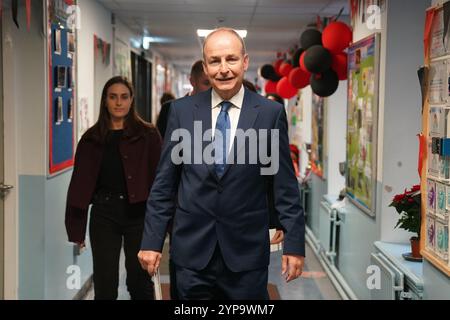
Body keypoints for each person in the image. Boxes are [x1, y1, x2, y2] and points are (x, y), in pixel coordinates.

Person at [139, 28, 305, 300]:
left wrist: (295, 245)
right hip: (191, 253)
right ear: (205, 67)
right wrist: (151, 242)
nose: (223, 69)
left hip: (246, 255)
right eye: (215, 61)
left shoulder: (269, 114)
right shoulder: (181, 112)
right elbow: (164, 183)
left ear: (245, 62)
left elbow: (284, 185)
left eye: (231, 59)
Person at [65, 76, 162, 300]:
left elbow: (161, 182)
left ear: (131, 100)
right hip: (104, 215)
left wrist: (165, 224)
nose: (119, 102)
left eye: (124, 97)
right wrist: (76, 228)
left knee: (139, 281)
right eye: (113, 97)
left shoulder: (148, 135)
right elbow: (79, 186)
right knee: (105, 283)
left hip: (139, 215)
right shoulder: (91, 139)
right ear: (105, 101)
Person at [156, 60, 210, 139]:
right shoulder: (168, 109)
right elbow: (160, 145)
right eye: (206, 83)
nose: (212, 89)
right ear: (192, 82)